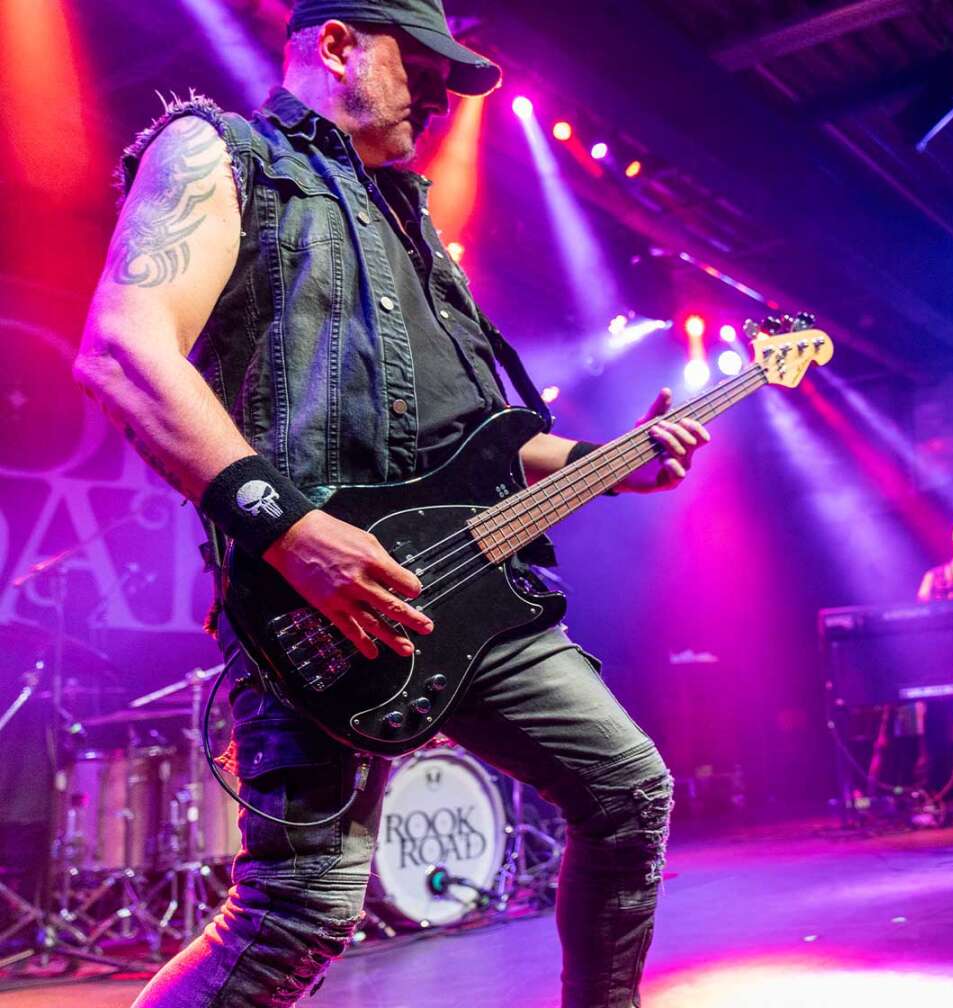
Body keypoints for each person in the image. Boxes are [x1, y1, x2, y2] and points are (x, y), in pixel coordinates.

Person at [72, 5, 709, 1004]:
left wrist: (609, 458)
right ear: (335, 44)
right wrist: (285, 528)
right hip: (311, 596)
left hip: (469, 585)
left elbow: (476, 435)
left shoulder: (411, 226)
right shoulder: (223, 153)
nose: (442, 95)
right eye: (418, 64)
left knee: (628, 793)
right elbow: (123, 347)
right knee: (300, 909)